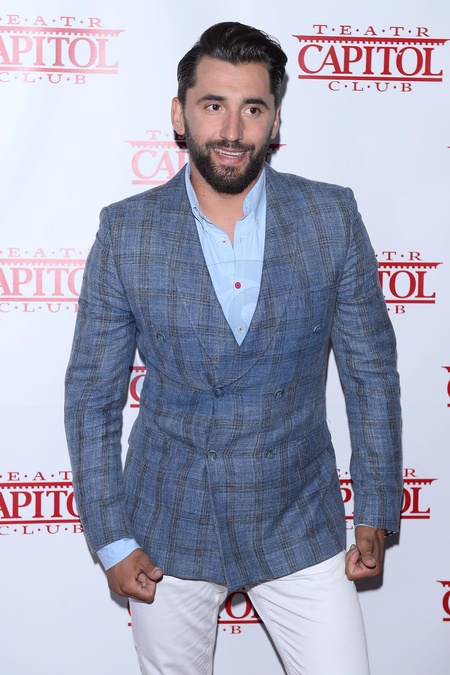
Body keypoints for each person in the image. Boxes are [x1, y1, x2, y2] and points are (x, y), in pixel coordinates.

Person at [65, 21, 402, 675]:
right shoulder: (126, 232)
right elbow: (92, 398)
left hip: (298, 517)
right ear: (180, 114)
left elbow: (371, 373)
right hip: (167, 524)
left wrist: (377, 504)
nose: (232, 129)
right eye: (213, 104)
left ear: (275, 119)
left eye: (252, 108)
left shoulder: (331, 217)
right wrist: (112, 538)